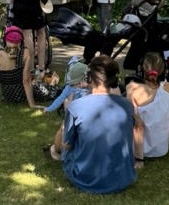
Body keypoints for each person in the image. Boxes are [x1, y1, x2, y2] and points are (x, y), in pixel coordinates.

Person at [46, 55, 141, 194]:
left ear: (90, 78)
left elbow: (67, 144)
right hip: (122, 178)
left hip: (85, 179)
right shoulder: (127, 105)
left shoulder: (76, 106)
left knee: (62, 145)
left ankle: (53, 151)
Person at [0, 25, 42, 107]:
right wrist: (32, 104)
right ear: (20, 42)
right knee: (45, 88)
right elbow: (26, 80)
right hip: (22, 96)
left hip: (7, 97)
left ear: (5, 40)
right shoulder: (24, 53)